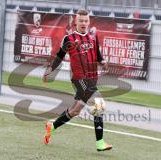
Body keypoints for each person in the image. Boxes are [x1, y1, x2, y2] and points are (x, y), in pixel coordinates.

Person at [42, 9, 112, 152]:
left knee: (75, 111)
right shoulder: (69, 39)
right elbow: (59, 57)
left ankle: (52, 126)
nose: (83, 23)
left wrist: (103, 61)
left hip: (92, 79)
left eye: (86, 21)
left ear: (89, 21)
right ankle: (100, 143)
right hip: (79, 80)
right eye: (81, 20)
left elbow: (98, 55)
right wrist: (50, 71)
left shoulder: (93, 37)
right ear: (76, 21)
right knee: (99, 104)